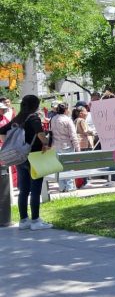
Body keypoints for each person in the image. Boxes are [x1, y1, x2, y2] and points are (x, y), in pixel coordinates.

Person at [0, 95, 52, 230]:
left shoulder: (18, 118)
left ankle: (24, 220)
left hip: (20, 157)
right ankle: (35, 221)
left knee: (24, 190)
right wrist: (47, 143)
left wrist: (13, 144)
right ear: (35, 105)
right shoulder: (33, 117)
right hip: (34, 156)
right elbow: (41, 135)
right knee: (35, 189)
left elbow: (2, 130)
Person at [49, 103, 80, 192]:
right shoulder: (68, 120)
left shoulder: (53, 119)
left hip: (55, 146)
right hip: (67, 146)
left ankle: (62, 187)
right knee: (69, 167)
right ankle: (70, 187)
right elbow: (73, 135)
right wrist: (78, 149)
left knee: (59, 168)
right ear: (66, 110)